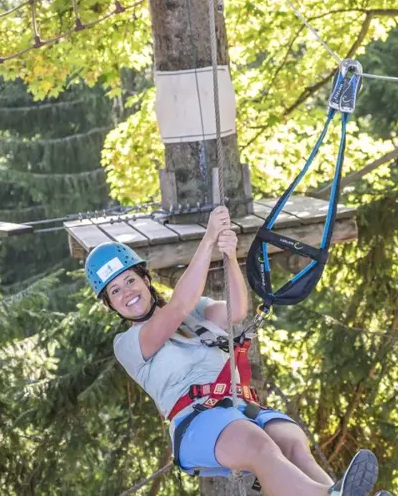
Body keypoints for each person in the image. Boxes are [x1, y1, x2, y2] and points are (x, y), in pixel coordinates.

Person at [85, 206, 381, 496]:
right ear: (110, 304)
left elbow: (236, 311)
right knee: (258, 444)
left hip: (239, 407)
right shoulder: (128, 344)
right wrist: (208, 239)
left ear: (146, 280)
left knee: (291, 442)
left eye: (130, 280)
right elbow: (177, 306)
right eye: (115, 291)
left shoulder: (195, 313)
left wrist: (228, 256)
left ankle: (336, 492)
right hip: (195, 421)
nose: (127, 292)